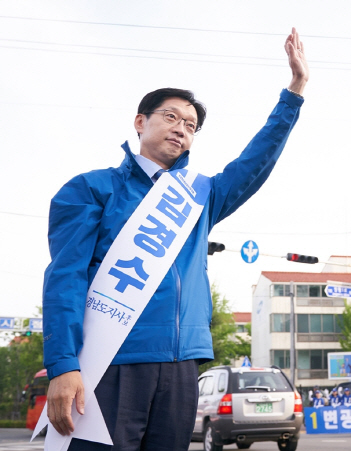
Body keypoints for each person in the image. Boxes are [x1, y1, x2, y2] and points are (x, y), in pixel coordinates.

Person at [42, 29, 309, 450]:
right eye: (171, 117)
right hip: (111, 364)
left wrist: (293, 93)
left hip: (183, 367)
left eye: (191, 125)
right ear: (140, 121)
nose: (182, 128)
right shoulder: (91, 189)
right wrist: (62, 365)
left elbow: (253, 164)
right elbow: (66, 279)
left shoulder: (198, 198)